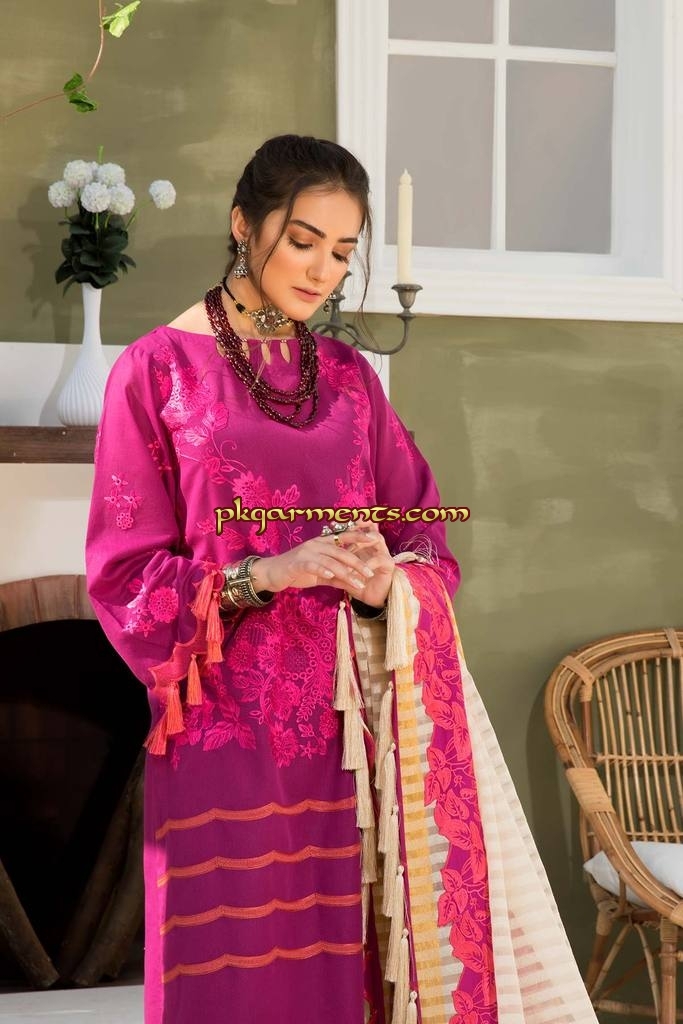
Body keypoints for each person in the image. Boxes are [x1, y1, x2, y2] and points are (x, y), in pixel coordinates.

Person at [85, 134, 598, 1024]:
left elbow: (425, 536)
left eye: (342, 250)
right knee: (232, 972)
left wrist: (385, 582)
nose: (323, 270)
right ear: (243, 226)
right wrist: (265, 573)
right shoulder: (155, 369)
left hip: (352, 732)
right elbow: (123, 573)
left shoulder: (351, 380)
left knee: (349, 971)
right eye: (302, 240)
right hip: (221, 727)